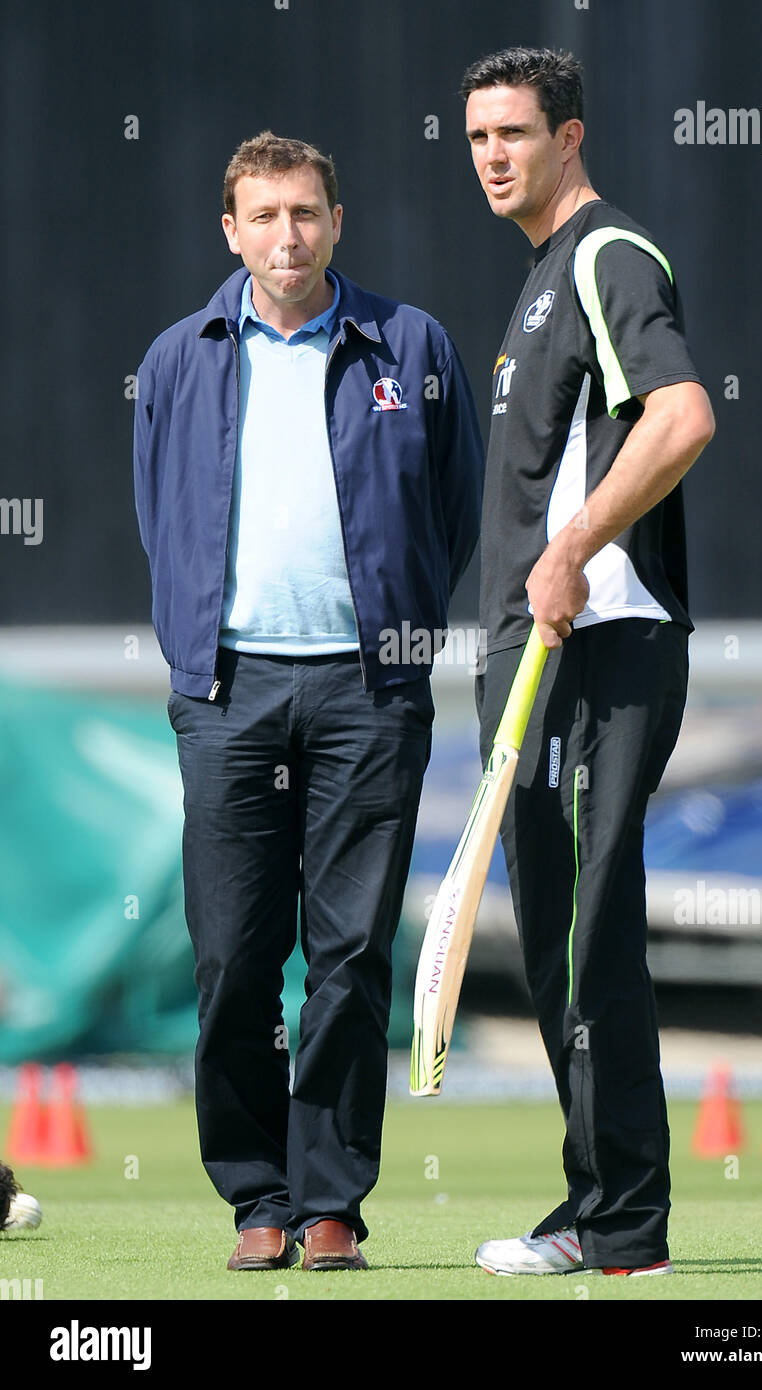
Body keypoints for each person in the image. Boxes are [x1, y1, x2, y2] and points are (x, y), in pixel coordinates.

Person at [133, 131, 483, 1272]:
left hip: (366, 693)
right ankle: (255, 1199)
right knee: (233, 954)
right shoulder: (181, 357)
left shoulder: (411, 343)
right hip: (228, 692)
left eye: (305, 213)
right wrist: (201, 649)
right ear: (229, 232)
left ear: (337, 222)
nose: (287, 235)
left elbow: (454, 507)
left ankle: (330, 1200)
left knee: (347, 957)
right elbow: (160, 513)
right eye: (264, 216)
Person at [460, 48, 715, 1276]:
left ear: (569, 137)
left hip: (600, 643)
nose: (493, 155)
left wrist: (570, 548)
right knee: (563, 928)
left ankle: (622, 1227)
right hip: (534, 660)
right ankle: (597, 1210)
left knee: (589, 930)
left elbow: (682, 415)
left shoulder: (608, 255)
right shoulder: (538, 283)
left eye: (514, 132)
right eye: (476, 138)